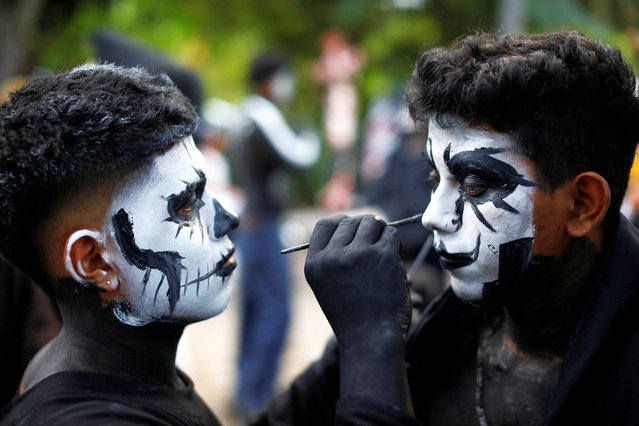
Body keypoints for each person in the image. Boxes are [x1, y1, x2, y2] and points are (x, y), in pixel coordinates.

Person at [254, 31, 639, 425]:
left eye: (474, 185)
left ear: (582, 205)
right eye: (434, 178)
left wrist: (370, 348)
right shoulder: (438, 338)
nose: (432, 216)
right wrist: (354, 354)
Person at [0, 64, 240, 424]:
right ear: (95, 261)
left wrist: (344, 349)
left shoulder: (128, 374)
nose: (227, 218)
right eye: (186, 206)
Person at [228, 50, 320, 419]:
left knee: (254, 309)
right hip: (263, 225)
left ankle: (246, 391)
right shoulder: (262, 115)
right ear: (269, 79)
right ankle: (257, 398)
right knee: (275, 311)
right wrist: (313, 134)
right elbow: (301, 156)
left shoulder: (243, 117)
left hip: (252, 223)